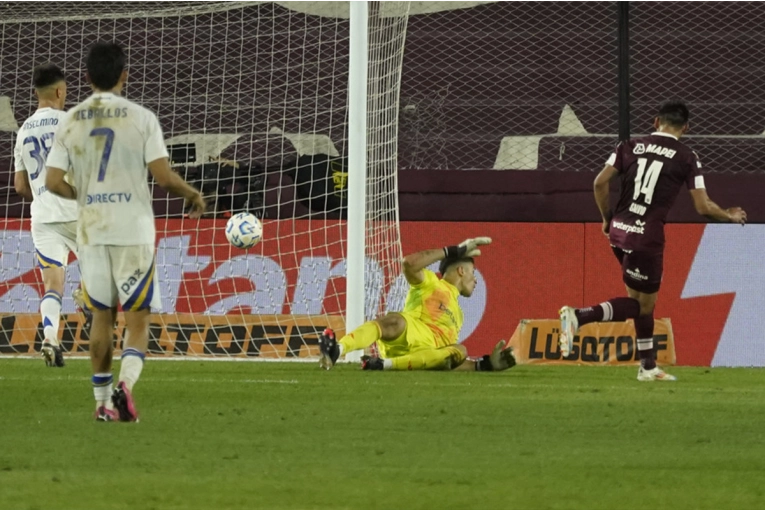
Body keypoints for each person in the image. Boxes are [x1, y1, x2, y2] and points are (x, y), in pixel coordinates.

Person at [45, 41, 206, 422]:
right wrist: (192, 193)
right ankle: (126, 386)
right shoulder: (141, 117)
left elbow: (52, 181)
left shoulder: (70, 120)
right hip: (132, 229)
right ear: (124, 75)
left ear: (86, 78)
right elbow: (163, 177)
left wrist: (81, 195)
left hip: (92, 230)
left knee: (101, 316)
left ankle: (101, 404)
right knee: (138, 319)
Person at [558, 100, 747, 382]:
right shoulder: (686, 156)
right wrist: (729, 215)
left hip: (619, 231)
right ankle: (578, 316)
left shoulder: (628, 146)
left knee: (640, 300)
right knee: (642, 306)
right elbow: (703, 206)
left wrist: (606, 218)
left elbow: (599, 183)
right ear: (686, 128)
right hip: (646, 238)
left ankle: (647, 367)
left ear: (656, 122)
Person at [318, 237, 515, 372]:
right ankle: (338, 350)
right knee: (393, 320)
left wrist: (486, 365)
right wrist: (453, 251)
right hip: (406, 334)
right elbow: (409, 264)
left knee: (460, 351)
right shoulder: (431, 282)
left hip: (424, 357)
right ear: (461, 270)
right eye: (473, 272)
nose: (476, 279)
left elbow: (447, 360)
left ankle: (382, 365)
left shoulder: (459, 315)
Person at [13, 63, 76, 368]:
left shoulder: (23, 130)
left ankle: (50, 337)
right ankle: (89, 296)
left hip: (42, 215)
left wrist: (41, 194)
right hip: (77, 211)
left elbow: (20, 186)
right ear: (60, 91)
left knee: (53, 285)